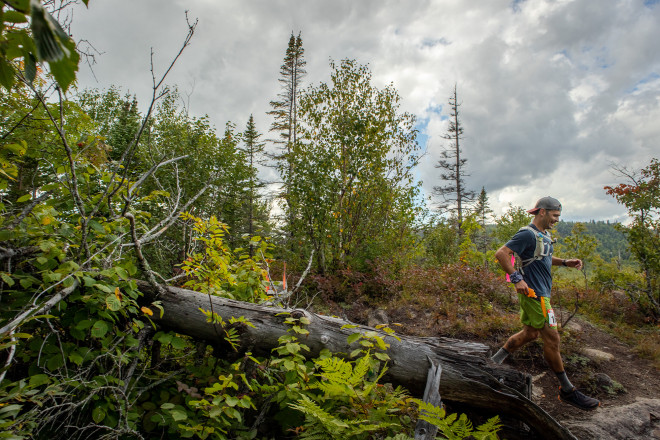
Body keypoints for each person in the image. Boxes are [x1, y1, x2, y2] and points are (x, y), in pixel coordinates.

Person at [491, 196, 600, 411]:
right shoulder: (527, 234)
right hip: (534, 294)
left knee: (530, 333)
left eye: (558, 216)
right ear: (542, 212)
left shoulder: (544, 236)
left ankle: (492, 362)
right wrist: (516, 279)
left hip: (541, 293)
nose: (557, 220)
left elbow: (543, 258)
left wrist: (565, 262)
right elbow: (501, 254)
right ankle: (567, 391)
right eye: (554, 215)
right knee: (552, 339)